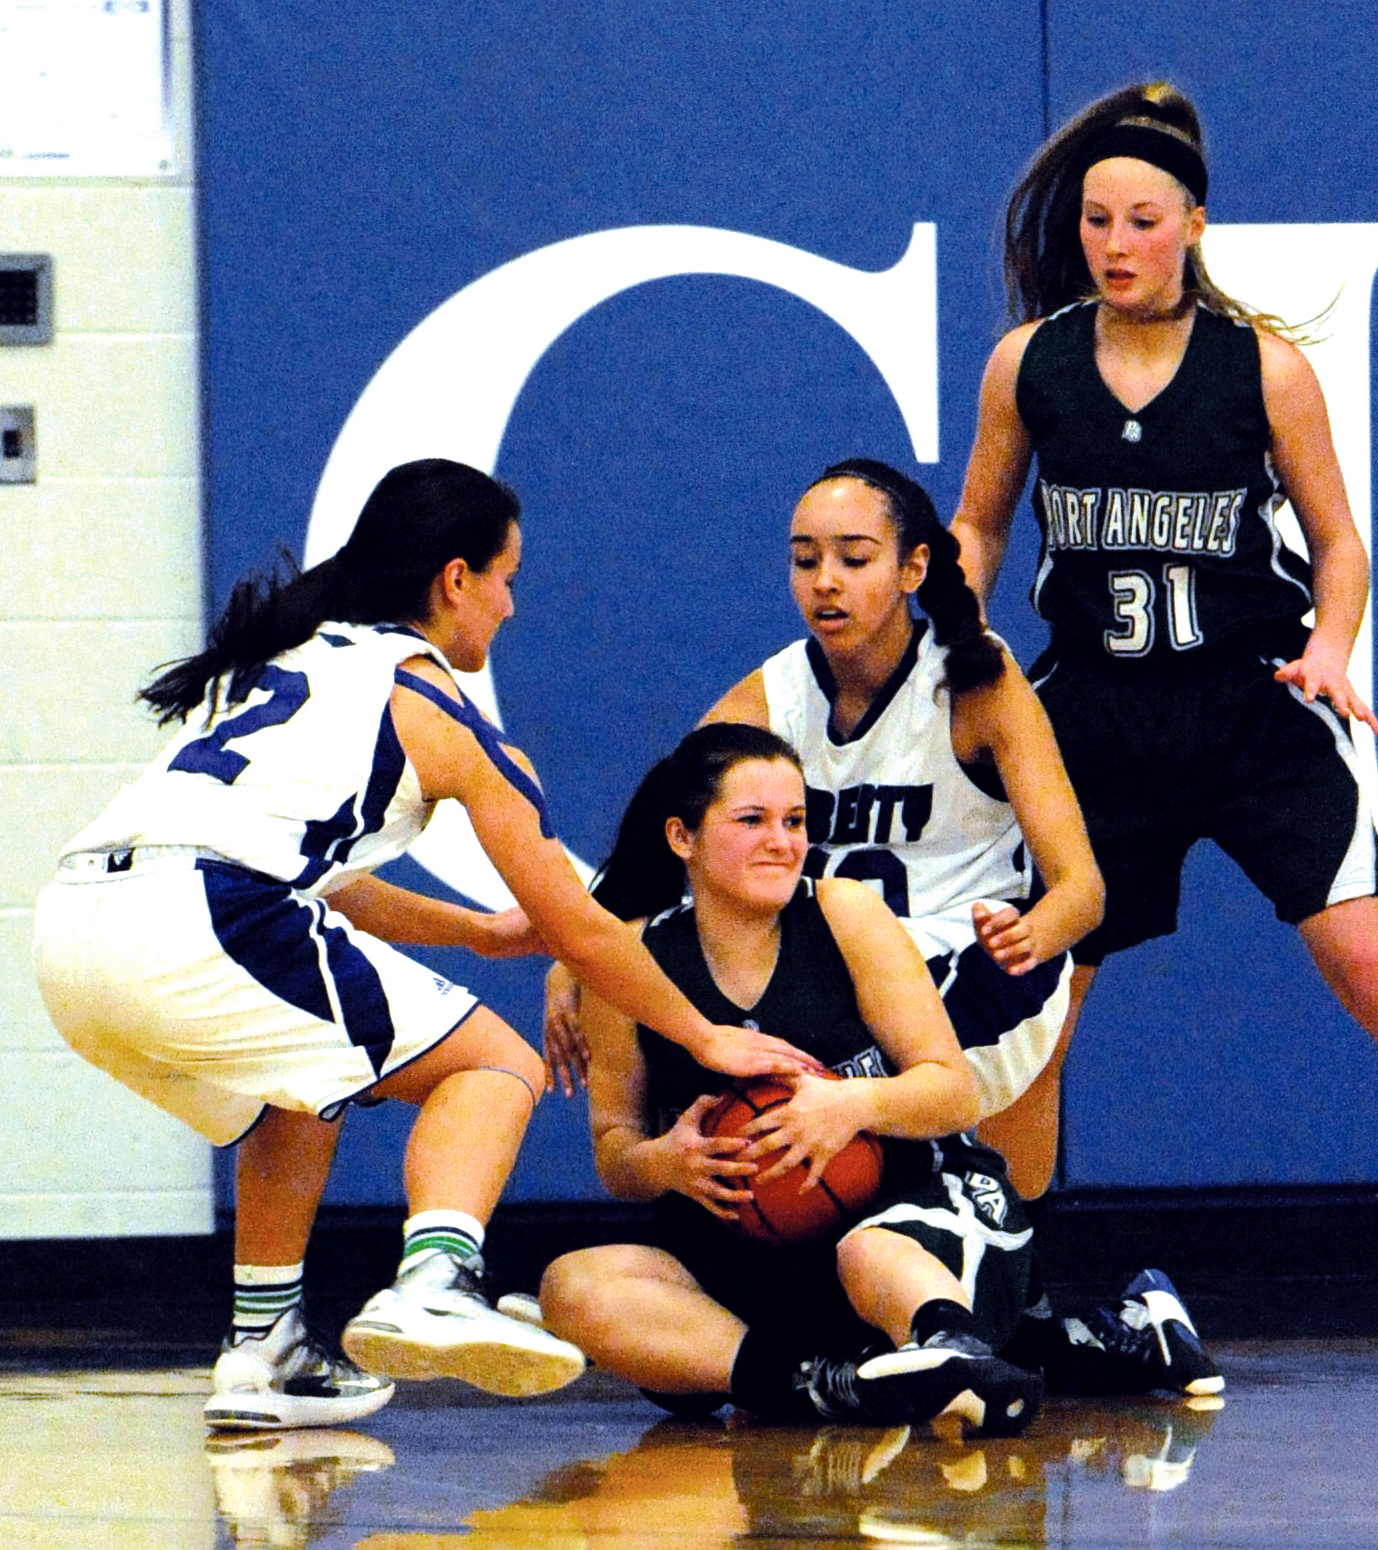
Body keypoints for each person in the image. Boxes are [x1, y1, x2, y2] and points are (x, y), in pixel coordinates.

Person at [948, 80, 1378, 1348]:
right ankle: (1005, 1266)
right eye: (1096, 220)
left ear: (1192, 224)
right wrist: (962, 609)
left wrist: (1329, 641)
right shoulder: (1028, 363)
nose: (1116, 240)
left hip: (1252, 703)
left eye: (1143, 218)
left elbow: (1339, 541)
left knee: (1366, 957)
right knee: (1042, 993)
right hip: (1092, 718)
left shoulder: (1264, 369)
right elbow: (978, 517)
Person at [32, 458, 820, 1432]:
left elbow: (322, 878)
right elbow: (579, 924)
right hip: (204, 914)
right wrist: (708, 1036)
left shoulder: (283, 659)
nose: (510, 605)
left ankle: (264, 1346)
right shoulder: (433, 703)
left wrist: (478, 932)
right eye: (508, 578)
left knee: (301, 1090)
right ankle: (435, 1279)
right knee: (496, 1063)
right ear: (457, 579)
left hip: (73, 928)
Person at [542, 457, 1221, 1396]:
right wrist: (574, 964)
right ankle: (1018, 1336)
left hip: (973, 975)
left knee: (833, 1093)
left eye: (853, 558)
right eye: (805, 559)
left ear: (910, 569)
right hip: (827, 981)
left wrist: (1034, 935)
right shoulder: (770, 696)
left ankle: (966, 1299)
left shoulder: (977, 685)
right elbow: (660, 836)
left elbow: (1083, 891)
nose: (825, 581)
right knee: (733, 1072)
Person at [540, 723, 1047, 1435]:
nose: (782, 840)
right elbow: (614, 1153)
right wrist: (666, 1161)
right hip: (755, 1257)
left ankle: (949, 1350)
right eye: (753, 821)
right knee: (573, 1287)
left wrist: (850, 1104)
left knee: (868, 1251)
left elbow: (953, 1089)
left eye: (796, 820)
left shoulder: (845, 914)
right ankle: (817, 1384)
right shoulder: (628, 964)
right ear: (682, 838)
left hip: (911, 1214)